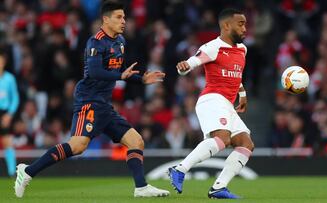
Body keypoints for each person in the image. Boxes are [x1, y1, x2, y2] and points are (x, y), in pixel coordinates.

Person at [15, 1, 169, 198]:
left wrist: (141, 79)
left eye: (124, 17)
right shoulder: (95, 42)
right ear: (106, 19)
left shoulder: (120, 41)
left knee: (136, 141)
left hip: (104, 104)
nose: (124, 21)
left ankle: (141, 187)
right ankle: (27, 172)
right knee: (78, 146)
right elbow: (96, 72)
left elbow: (117, 71)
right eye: (119, 17)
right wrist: (120, 77)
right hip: (89, 100)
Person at [168, 8, 255, 199]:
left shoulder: (242, 49)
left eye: (245, 24)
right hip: (212, 99)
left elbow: (235, 75)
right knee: (222, 139)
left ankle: (218, 187)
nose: (245, 28)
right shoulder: (213, 47)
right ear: (226, 25)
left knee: (245, 144)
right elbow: (193, 61)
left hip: (227, 104)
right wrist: (185, 67)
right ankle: (180, 169)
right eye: (240, 24)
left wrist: (242, 94)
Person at [0, 50, 20, 176]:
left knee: (7, 142)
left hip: (4, 113)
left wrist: (10, 114)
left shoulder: (9, 78)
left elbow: (15, 98)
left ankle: (12, 172)